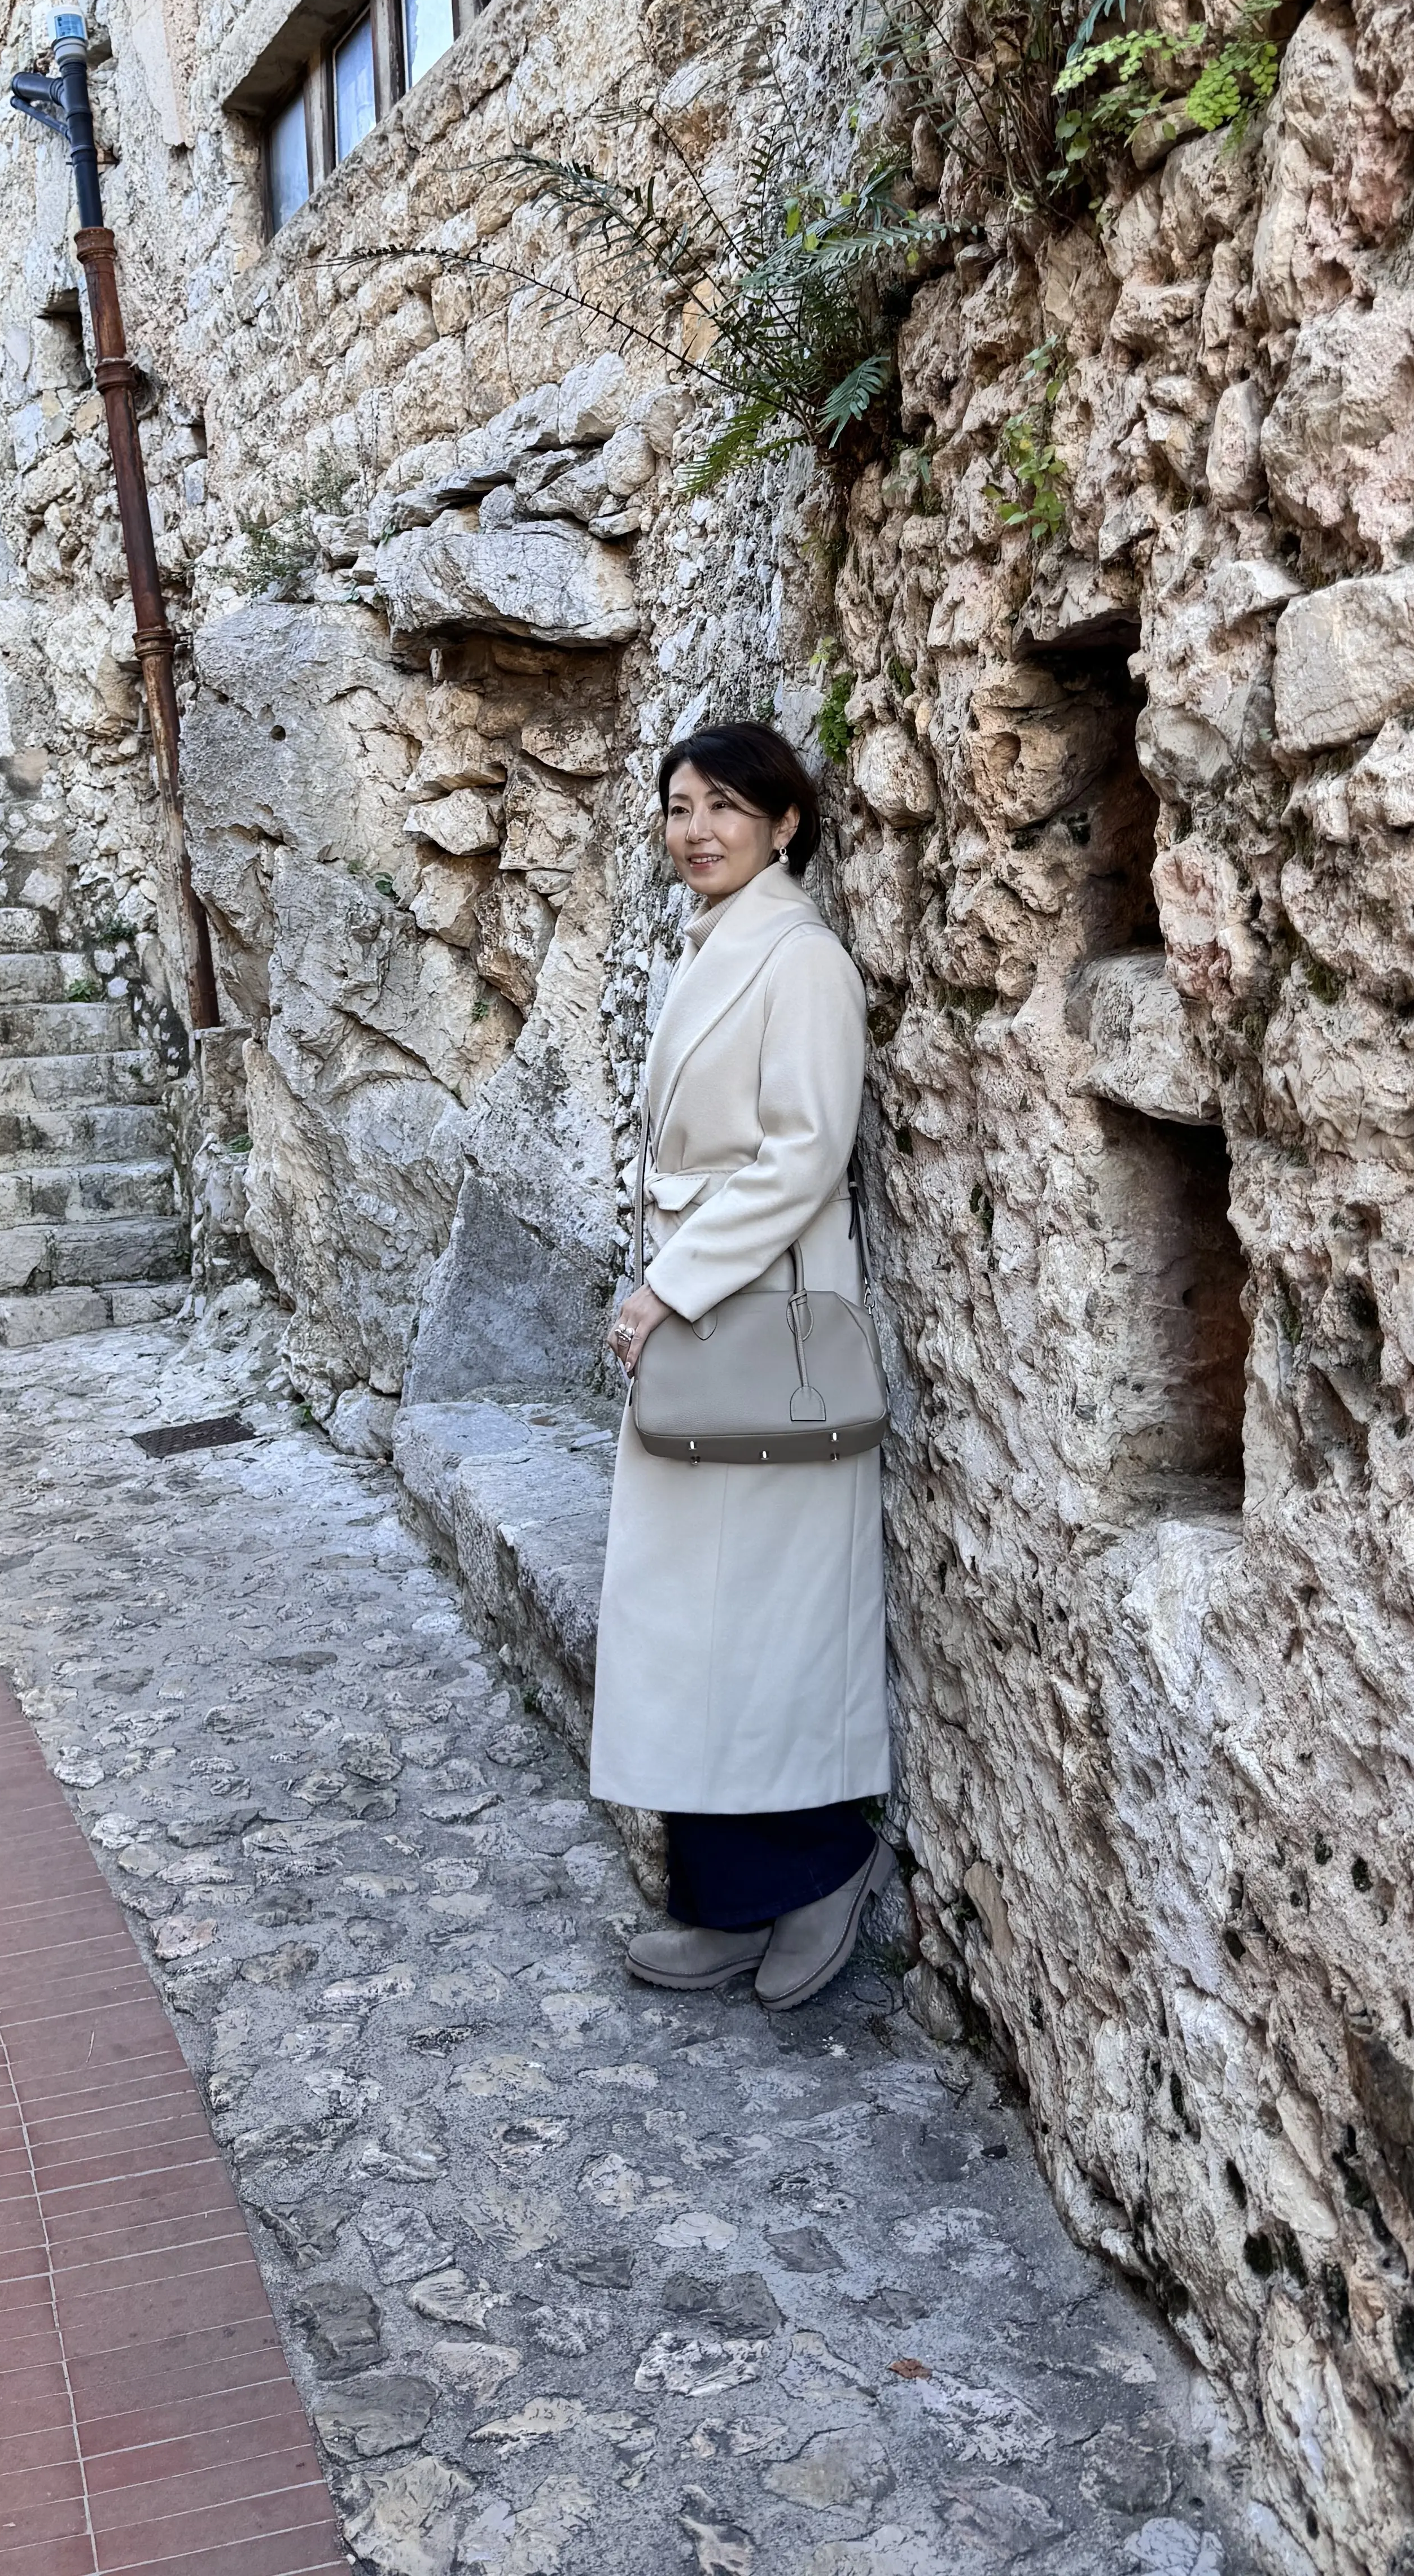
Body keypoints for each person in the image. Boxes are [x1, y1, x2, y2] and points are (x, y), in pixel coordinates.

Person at [592, 722, 892, 2010]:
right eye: (679, 806)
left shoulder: (803, 957)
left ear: (785, 824)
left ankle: (821, 1867)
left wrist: (671, 1282)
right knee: (691, 1635)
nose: (697, 828)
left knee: (770, 1629)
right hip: (708, 1314)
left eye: (725, 806)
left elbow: (804, 1150)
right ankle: (718, 1898)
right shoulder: (712, 945)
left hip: (761, 1326)